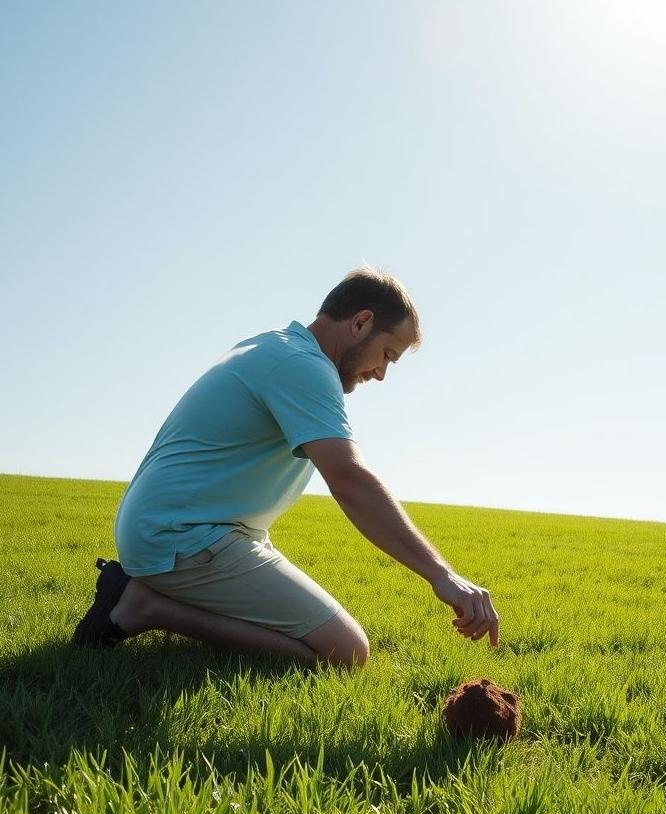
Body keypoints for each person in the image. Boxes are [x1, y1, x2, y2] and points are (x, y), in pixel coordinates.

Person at [72, 267, 500, 668]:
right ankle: (143, 606)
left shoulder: (279, 347)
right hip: (182, 537)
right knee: (345, 652)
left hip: (195, 531)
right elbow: (349, 480)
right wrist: (441, 576)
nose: (382, 373)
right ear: (361, 322)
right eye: (386, 354)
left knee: (319, 637)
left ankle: (148, 596)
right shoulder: (303, 367)